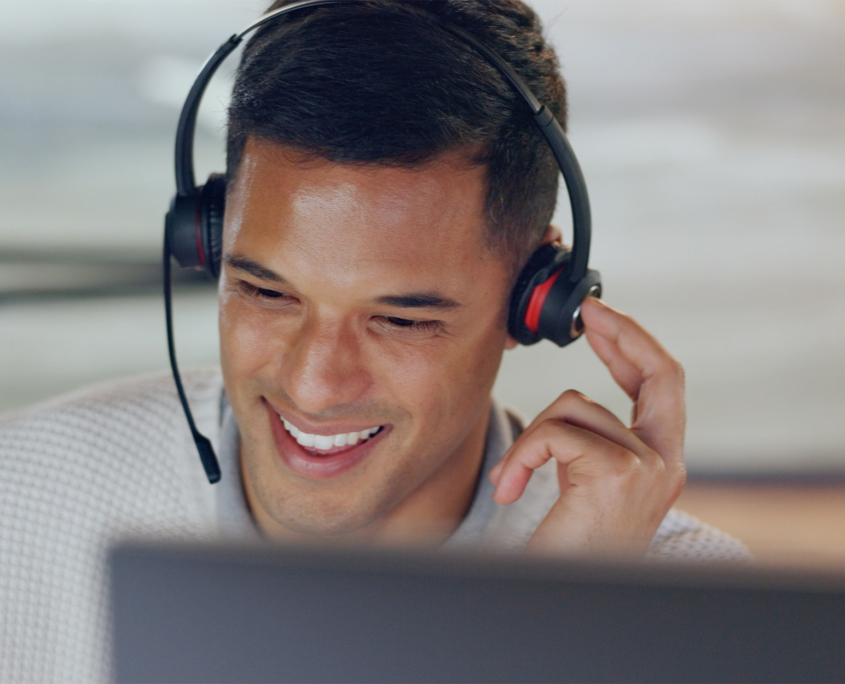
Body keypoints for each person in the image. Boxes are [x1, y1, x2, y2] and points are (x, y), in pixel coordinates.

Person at [0, 1, 746, 681]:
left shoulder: (703, 622)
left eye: (400, 320)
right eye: (266, 292)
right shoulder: (21, 498)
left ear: (534, 301)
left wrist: (556, 615)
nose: (314, 385)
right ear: (209, 244)